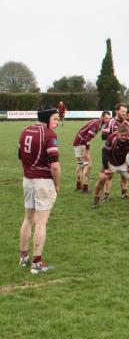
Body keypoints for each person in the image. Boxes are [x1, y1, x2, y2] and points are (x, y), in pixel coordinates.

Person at [18, 105, 61, 274]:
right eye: (55, 119)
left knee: (28, 219)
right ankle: (36, 264)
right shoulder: (49, 135)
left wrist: (28, 172)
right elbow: (55, 166)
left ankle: (23, 258)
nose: (57, 122)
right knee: (41, 223)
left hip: (27, 180)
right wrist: (57, 184)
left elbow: (21, 156)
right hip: (43, 181)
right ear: (47, 118)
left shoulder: (25, 131)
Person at [92, 125, 129, 209]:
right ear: (117, 134)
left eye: (126, 135)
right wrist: (106, 168)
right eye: (122, 135)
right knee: (101, 180)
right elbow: (104, 154)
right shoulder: (111, 138)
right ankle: (95, 201)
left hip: (122, 163)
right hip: (110, 162)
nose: (124, 137)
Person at [72, 111, 111, 193]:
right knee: (88, 164)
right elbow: (87, 139)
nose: (108, 120)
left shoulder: (97, 122)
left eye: (109, 118)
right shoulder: (97, 125)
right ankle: (85, 188)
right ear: (102, 117)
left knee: (80, 164)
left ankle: (78, 186)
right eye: (107, 118)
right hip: (81, 143)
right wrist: (87, 152)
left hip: (77, 142)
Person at [102, 103, 129, 200]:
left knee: (125, 174)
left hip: (124, 152)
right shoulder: (111, 122)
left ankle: (124, 193)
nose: (124, 113)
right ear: (117, 111)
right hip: (112, 153)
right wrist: (115, 136)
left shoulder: (127, 124)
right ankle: (106, 195)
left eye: (125, 111)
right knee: (109, 175)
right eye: (122, 111)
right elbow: (103, 136)